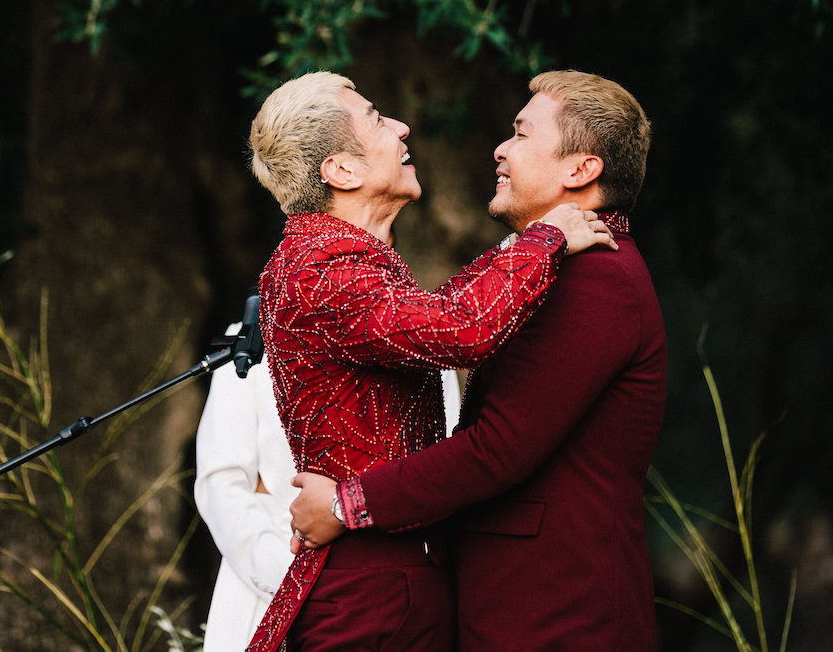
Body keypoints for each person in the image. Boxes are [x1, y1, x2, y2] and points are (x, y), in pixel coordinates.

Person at [286, 70, 667, 651]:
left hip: (559, 616)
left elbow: (497, 447)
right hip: (514, 607)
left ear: (580, 170)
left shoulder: (598, 280)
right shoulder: (557, 270)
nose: (501, 148)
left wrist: (346, 504)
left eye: (521, 134)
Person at [193, 348, 460, 652]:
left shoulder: (412, 340)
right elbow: (221, 485)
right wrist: (291, 577)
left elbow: (436, 469)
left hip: (385, 592)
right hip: (264, 584)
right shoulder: (253, 340)